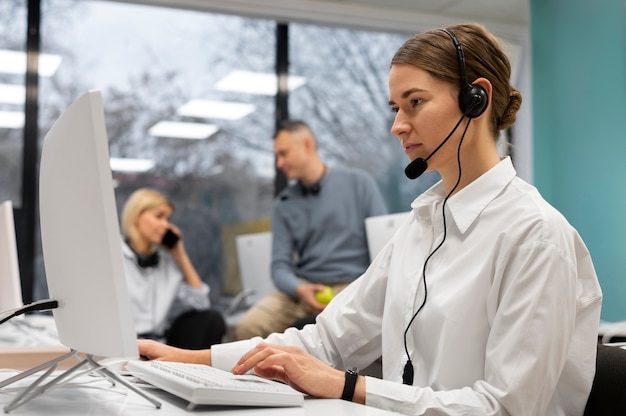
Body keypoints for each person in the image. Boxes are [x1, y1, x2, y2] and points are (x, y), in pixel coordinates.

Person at [138, 23, 603, 415]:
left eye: (414, 102)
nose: (397, 125)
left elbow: (506, 408)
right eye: (395, 107)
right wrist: (190, 360)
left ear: (475, 99)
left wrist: (348, 387)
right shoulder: (422, 227)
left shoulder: (537, 237)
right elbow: (327, 341)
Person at [234, 120, 388, 340]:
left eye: (283, 154)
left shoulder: (359, 183)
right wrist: (299, 290)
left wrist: (360, 290)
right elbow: (280, 266)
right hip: (304, 288)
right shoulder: (283, 204)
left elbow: (383, 247)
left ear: (307, 145)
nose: (279, 163)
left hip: (353, 284)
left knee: (329, 333)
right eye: (277, 156)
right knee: (247, 328)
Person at [121, 188, 225, 349]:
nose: (166, 225)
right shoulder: (115, 258)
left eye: (168, 219)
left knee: (210, 319)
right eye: (159, 216)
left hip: (160, 343)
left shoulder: (165, 264)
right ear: (136, 216)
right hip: (126, 344)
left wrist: (180, 255)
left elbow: (201, 304)